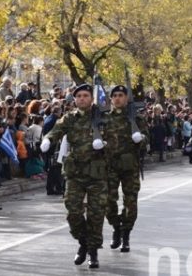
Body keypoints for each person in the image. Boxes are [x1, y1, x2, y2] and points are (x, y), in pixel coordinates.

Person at [41, 83, 107, 268]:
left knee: (96, 214)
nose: (82, 99)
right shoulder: (70, 118)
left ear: (91, 98)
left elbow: (117, 139)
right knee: (73, 212)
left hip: (97, 173)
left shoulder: (102, 117)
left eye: (85, 95)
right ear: (75, 99)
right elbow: (57, 130)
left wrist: (105, 143)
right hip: (75, 172)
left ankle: (93, 252)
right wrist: (48, 139)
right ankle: (83, 243)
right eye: (79, 96)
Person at [103, 85, 147, 254]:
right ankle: (116, 227)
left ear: (126, 98)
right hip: (110, 166)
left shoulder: (135, 118)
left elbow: (146, 139)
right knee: (108, 202)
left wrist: (140, 139)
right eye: (114, 96)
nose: (117, 98)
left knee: (131, 203)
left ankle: (126, 234)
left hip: (130, 167)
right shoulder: (105, 119)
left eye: (121, 95)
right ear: (111, 99)